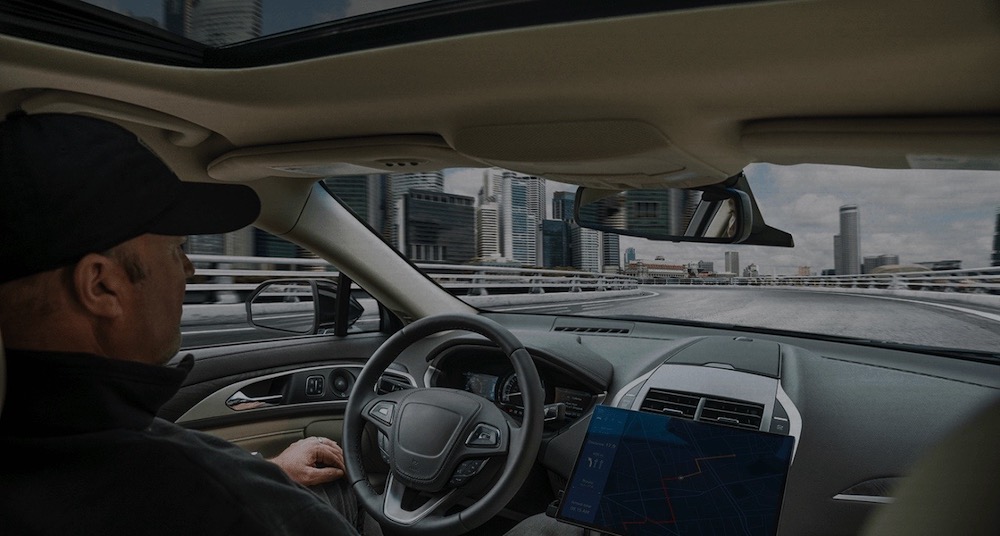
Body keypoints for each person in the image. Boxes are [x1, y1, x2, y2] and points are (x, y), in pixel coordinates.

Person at [0, 112, 363, 535]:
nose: (190, 269)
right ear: (101, 286)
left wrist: (273, 470)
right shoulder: (221, 504)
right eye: (176, 249)